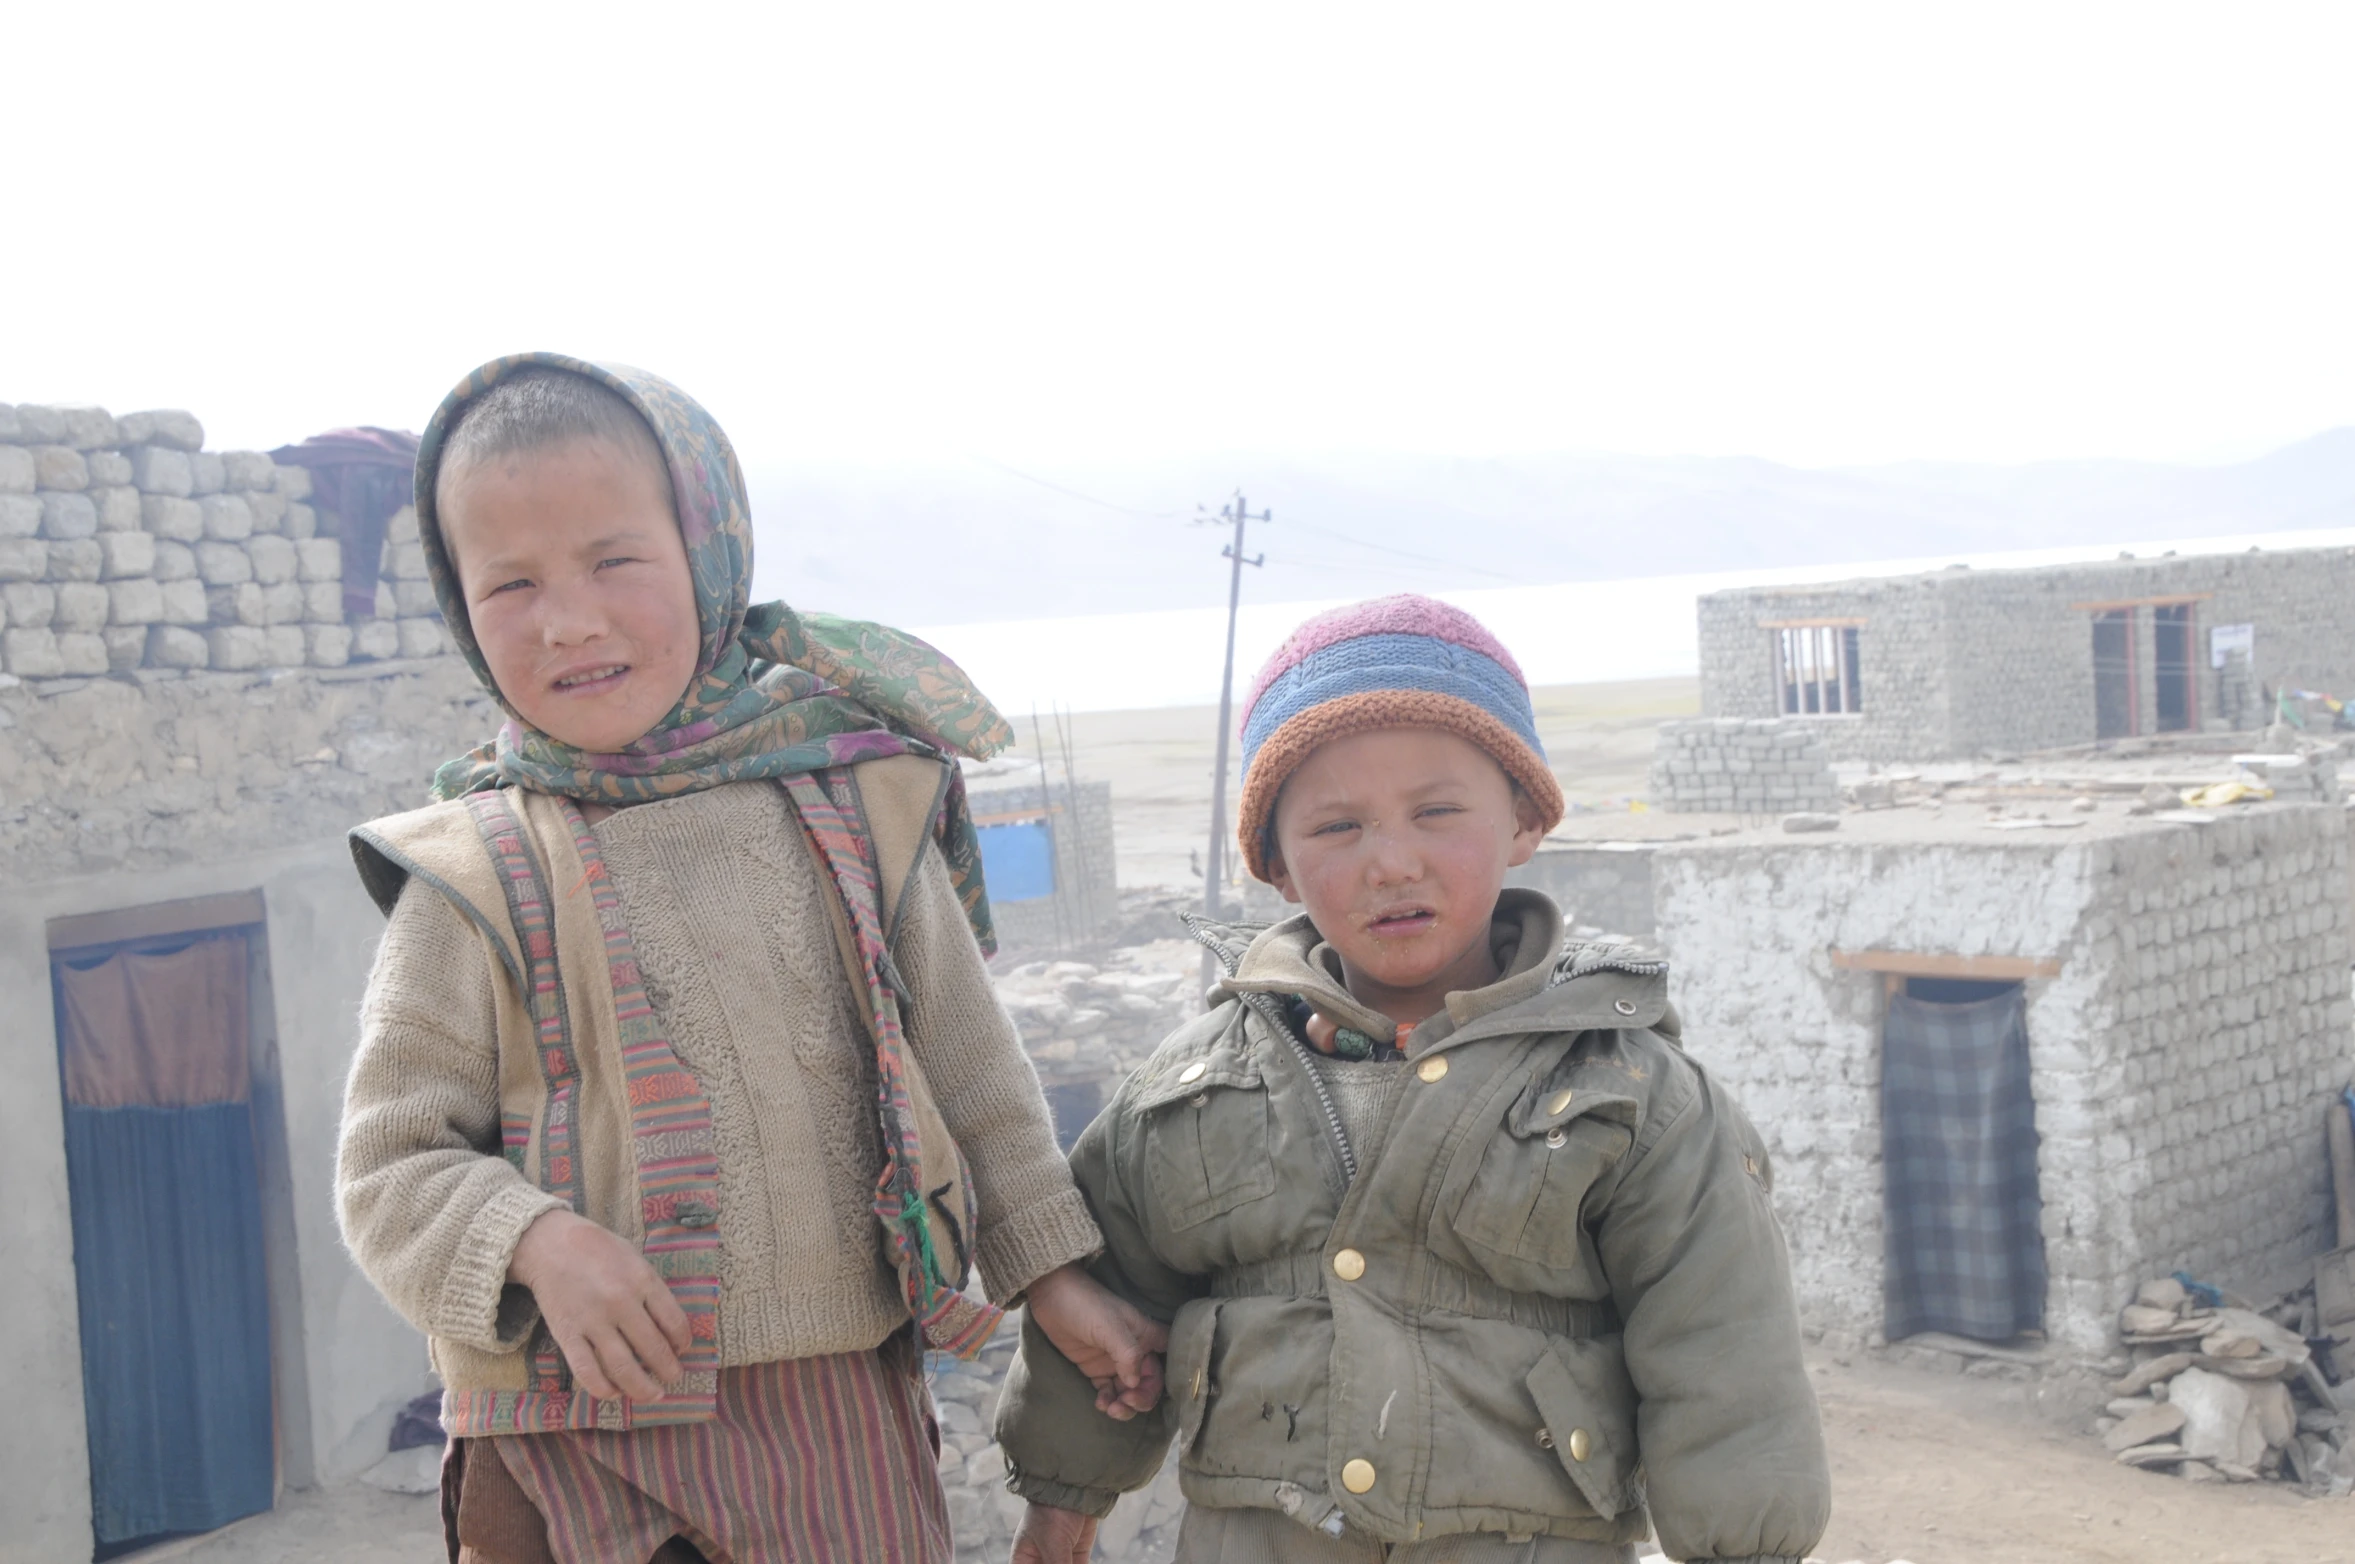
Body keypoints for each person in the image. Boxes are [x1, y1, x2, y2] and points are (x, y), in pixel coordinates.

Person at [335, 354, 1164, 1564]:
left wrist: (1053, 1275)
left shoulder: (855, 809)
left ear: (709, 554)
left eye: (616, 560)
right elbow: (388, 1165)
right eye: (509, 582)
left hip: (828, 1419)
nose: (569, 619)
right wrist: (535, 1240)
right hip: (563, 1440)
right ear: (460, 606)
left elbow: (975, 1079)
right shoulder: (468, 874)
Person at [996, 595, 1830, 1563]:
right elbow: (1107, 1311)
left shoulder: (1626, 1092)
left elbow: (1723, 1346)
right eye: (1337, 827)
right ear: (1273, 863)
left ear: (1523, 818)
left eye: (1436, 812)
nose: (1391, 862)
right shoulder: (1193, 1094)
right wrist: (1060, 1508)